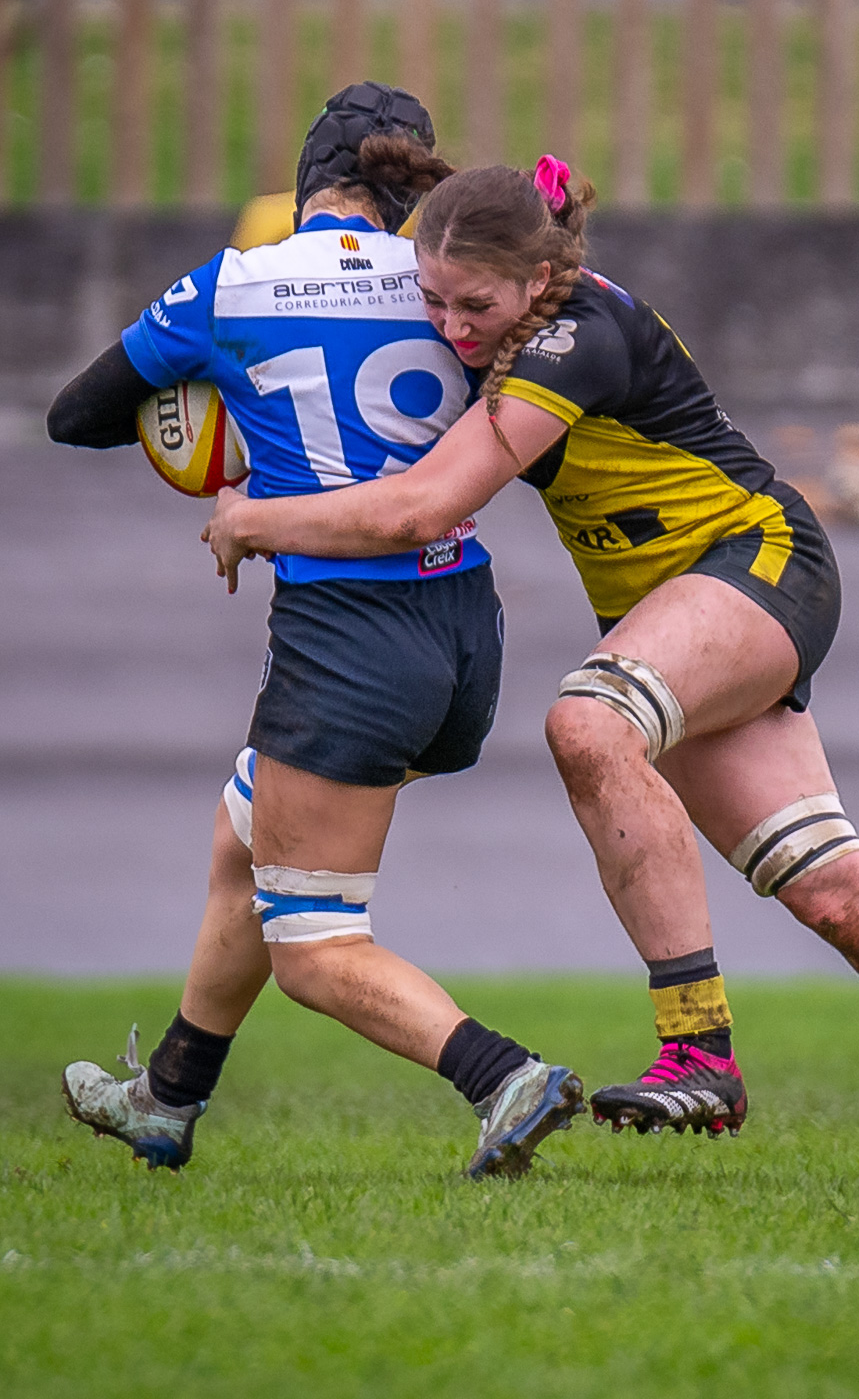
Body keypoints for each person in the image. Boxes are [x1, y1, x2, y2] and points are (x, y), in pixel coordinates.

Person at [204, 144, 859, 1183]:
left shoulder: (573, 337)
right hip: (680, 613)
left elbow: (420, 509)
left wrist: (251, 519)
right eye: (431, 301)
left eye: (472, 304)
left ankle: (697, 1051)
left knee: (589, 720)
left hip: (755, 564)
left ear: (537, 279)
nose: (449, 327)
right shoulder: (502, 317)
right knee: (837, 895)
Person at [46, 86, 584, 1181]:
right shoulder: (450, 288)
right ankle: (166, 1098)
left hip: (347, 639)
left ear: (304, 186)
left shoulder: (231, 283)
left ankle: (505, 1077)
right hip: (463, 631)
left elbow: (77, 417)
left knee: (313, 945)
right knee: (241, 839)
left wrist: (227, 412)